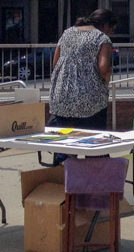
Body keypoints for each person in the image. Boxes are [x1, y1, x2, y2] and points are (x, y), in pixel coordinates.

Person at [48, 9, 117, 165]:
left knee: (66, 148)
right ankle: (93, 184)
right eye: (112, 28)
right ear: (105, 25)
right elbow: (103, 68)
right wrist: (106, 79)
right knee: (94, 150)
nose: (111, 32)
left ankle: (63, 181)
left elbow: (55, 63)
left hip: (61, 99)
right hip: (90, 102)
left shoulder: (67, 33)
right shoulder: (102, 38)